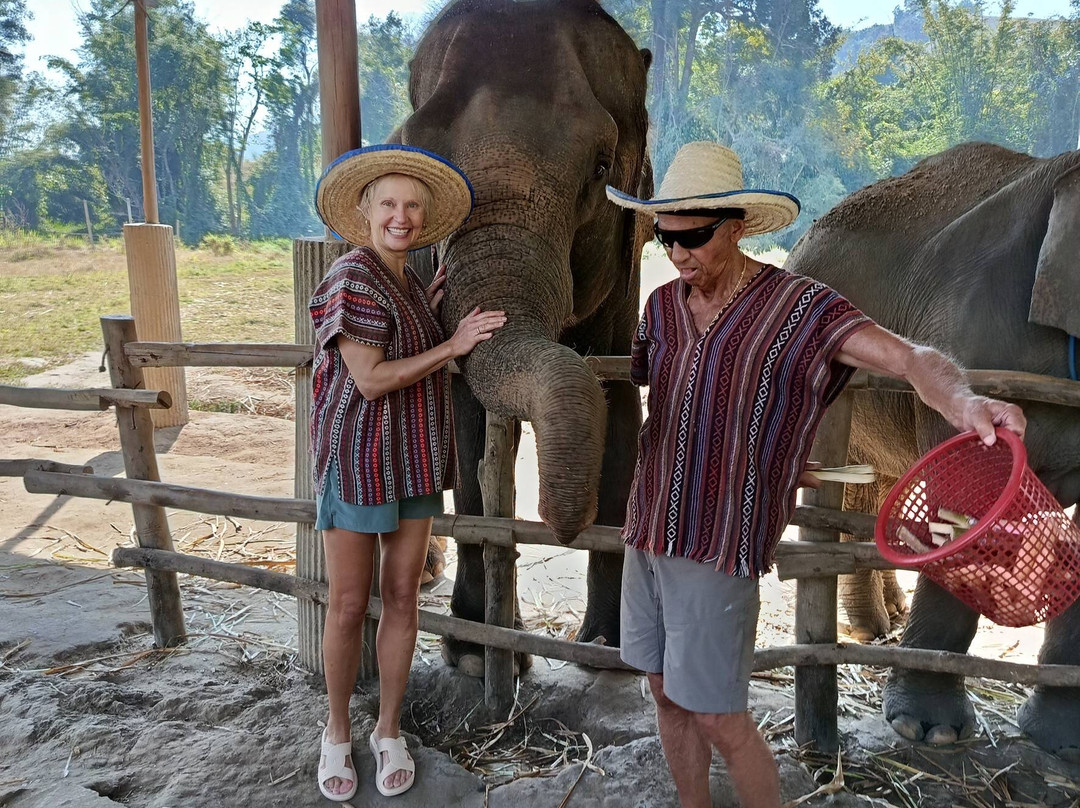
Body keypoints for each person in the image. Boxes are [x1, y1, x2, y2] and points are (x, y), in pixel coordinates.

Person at [606, 141, 1026, 808]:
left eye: (696, 236)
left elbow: (911, 358)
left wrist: (962, 401)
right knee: (661, 689)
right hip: (649, 527)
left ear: (737, 227)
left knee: (719, 714)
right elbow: (674, 405)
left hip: (718, 543)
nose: (681, 252)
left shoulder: (801, 308)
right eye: (667, 236)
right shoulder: (659, 309)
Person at [310, 144, 506, 801]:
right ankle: (336, 731)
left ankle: (387, 729)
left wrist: (432, 305)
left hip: (415, 461)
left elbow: (399, 335)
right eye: (389, 203)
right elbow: (367, 380)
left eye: (413, 205)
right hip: (362, 462)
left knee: (402, 598)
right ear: (363, 210)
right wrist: (451, 345)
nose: (402, 215)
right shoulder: (352, 276)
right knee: (345, 604)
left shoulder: (404, 283)